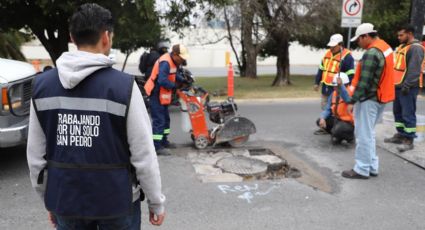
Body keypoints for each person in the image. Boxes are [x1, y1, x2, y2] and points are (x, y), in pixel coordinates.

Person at [26, 3, 165, 229]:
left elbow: (35, 157)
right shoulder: (125, 88)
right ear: (106, 37)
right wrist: (156, 202)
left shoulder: (41, 87)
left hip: (65, 199)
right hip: (118, 202)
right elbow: (143, 154)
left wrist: (50, 200)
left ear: (72, 37)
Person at [342, 23, 395, 179]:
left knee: (363, 134)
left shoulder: (372, 53)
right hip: (381, 97)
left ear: (366, 36)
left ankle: (362, 169)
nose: (358, 43)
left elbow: (364, 82)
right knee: (369, 133)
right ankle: (372, 166)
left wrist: (352, 101)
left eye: (359, 39)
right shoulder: (385, 47)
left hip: (369, 99)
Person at [384, 24, 425, 152]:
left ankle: (409, 139)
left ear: (410, 34)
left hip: (408, 87)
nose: (399, 37)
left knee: (408, 114)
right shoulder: (403, 47)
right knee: (398, 112)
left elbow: (414, 70)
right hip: (398, 86)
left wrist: (407, 86)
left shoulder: (415, 48)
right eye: (398, 35)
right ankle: (401, 134)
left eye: (401, 35)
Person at [144, 44, 189, 155]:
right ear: (175, 54)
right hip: (156, 92)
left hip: (163, 94)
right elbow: (162, 80)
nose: (183, 59)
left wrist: (183, 80)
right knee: (159, 120)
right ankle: (157, 147)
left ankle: (164, 142)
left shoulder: (174, 62)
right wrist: (175, 86)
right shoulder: (165, 62)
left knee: (165, 119)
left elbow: (174, 73)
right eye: (181, 57)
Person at [314, 33, 355, 134]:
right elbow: (321, 69)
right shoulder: (327, 54)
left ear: (340, 45)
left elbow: (350, 74)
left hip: (337, 88)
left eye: (333, 46)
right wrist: (316, 82)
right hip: (326, 86)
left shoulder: (347, 57)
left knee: (337, 108)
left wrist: (344, 88)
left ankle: (339, 127)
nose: (331, 48)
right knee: (325, 107)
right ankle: (326, 127)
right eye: (330, 46)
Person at [316, 73, 355, 144]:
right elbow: (328, 109)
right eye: (334, 86)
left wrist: (341, 86)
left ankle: (350, 137)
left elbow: (347, 99)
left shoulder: (350, 92)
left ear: (344, 85)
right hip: (337, 120)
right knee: (319, 121)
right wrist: (322, 118)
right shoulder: (333, 94)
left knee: (338, 130)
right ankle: (336, 135)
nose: (334, 88)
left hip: (349, 122)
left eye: (337, 86)